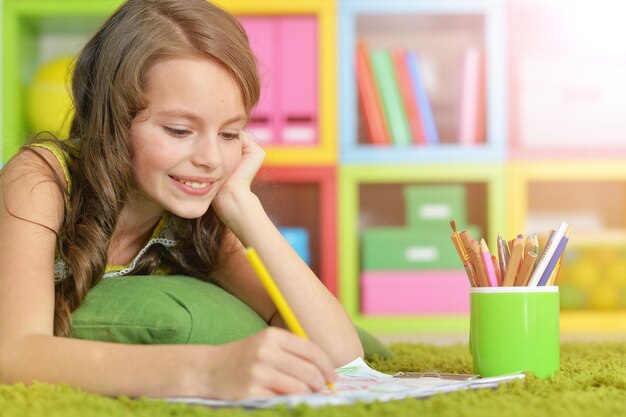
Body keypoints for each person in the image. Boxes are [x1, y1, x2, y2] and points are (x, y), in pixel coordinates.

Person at [0, 0, 363, 400]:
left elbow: (342, 355)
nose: (210, 159)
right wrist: (205, 370)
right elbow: (14, 354)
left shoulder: (194, 220)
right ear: (114, 120)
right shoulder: (40, 179)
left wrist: (245, 209)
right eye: (178, 130)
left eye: (229, 134)